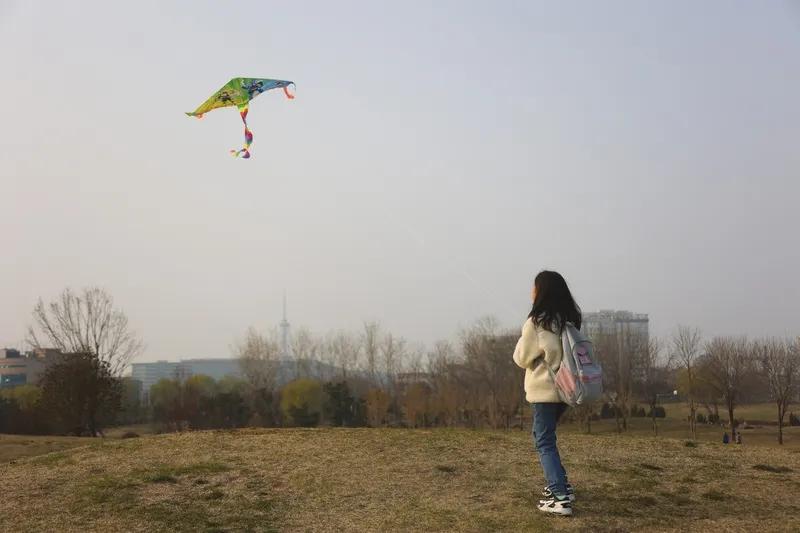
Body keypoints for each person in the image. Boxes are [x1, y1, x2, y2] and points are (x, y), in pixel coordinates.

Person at [513, 270, 581, 517]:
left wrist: (523, 339)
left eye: (534, 287)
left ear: (542, 291)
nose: (531, 291)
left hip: (544, 392)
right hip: (565, 392)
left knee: (543, 442)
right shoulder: (569, 320)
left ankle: (560, 497)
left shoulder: (536, 322)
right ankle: (563, 486)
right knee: (546, 438)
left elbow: (521, 358)